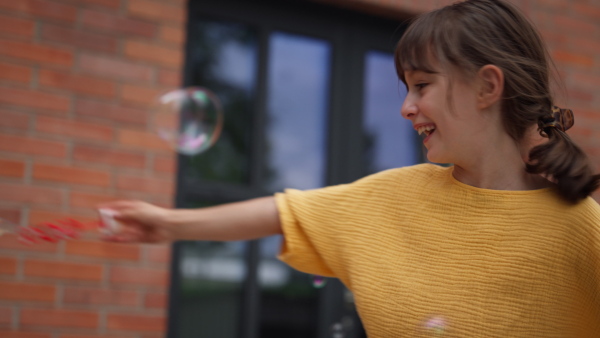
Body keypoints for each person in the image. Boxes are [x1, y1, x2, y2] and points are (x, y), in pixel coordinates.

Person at [100, 0, 600, 336]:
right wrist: (167, 224)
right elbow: (286, 211)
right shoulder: (391, 197)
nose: (406, 107)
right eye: (406, 88)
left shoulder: (584, 237)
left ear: (489, 87)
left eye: (422, 85)